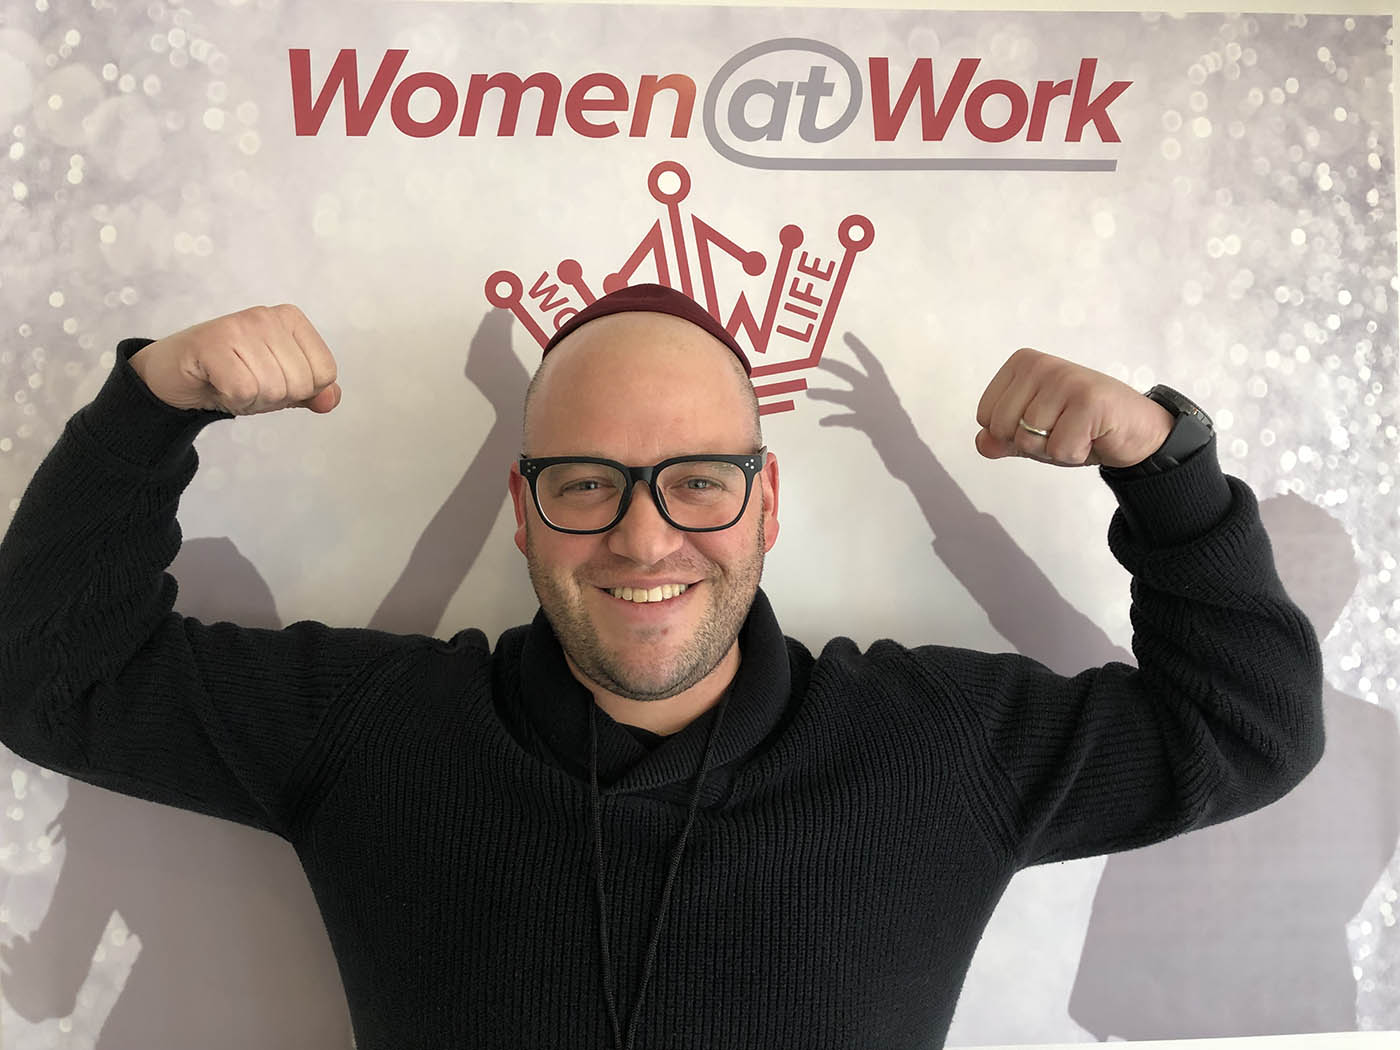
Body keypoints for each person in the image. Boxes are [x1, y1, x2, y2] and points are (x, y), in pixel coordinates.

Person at [0, 285, 1324, 1050]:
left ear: (766, 504)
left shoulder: (937, 747)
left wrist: (1167, 468)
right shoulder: (375, 729)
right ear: (524, 512)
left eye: (698, 480)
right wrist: (150, 407)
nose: (644, 538)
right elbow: (51, 675)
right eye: (587, 482)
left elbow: (1249, 727)